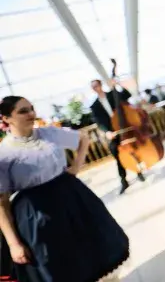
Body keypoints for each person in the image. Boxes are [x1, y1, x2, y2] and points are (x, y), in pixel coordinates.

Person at [0, 96, 129, 281]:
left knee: (94, 251)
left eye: (31, 108)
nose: (31, 114)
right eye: (23, 111)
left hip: (72, 199)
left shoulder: (49, 133)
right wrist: (14, 244)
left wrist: (76, 166)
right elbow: (2, 203)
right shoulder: (3, 154)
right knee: (61, 265)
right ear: (6, 118)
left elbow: (83, 138)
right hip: (37, 216)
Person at [90, 78, 145, 194]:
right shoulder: (94, 106)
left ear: (101, 85)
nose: (96, 88)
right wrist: (106, 132)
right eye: (93, 87)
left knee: (132, 152)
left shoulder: (113, 95)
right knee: (117, 154)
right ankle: (124, 180)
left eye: (97, 85)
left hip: (124, 127)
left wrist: (118, 84)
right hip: (113, 133)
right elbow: (99, 122)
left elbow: (127, 95)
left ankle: (138, 172)